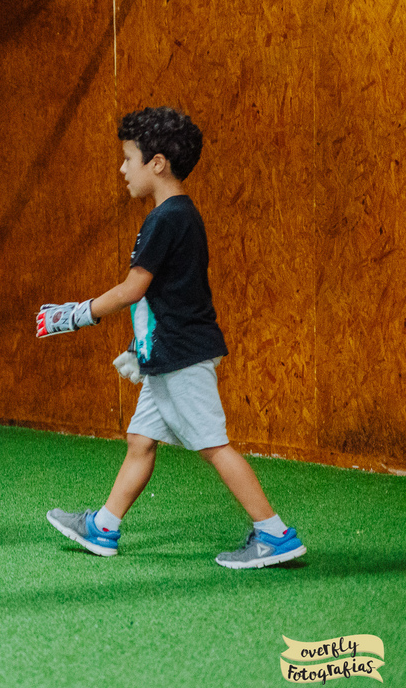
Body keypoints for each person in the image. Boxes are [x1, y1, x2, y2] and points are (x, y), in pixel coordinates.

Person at [37, 106, 306, 569]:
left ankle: (274, 534)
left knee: (213, 444)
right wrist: (139, 347)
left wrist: (75, 315)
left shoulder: (166, 218)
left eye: (128, 158)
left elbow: (133, 289)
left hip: (182, 355)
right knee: (140, 439)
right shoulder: (180, 216)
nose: (123, 169)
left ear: (157, 163)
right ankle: (104, 526)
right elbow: (170, 296)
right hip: (168, 352)